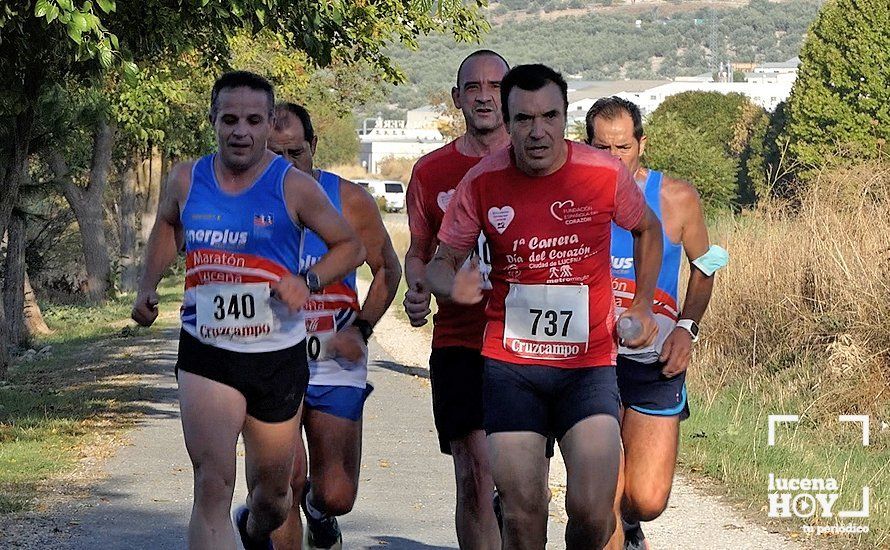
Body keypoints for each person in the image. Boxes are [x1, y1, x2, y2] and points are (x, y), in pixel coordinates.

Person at [426, 64, 664, 550]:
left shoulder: (602, 174)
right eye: (524, 120)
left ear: (565, 116)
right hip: (511, 368)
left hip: (588, 365)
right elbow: (438, 263)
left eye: (549, 117)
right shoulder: (482, 181)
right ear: (508, 123)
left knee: (594, 511)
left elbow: (648, 230)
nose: (537, 132)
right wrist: (453, 286)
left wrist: (641, 304)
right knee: (523, 511)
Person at [131, 71, 365, 550]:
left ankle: (253, 527)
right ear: (213, 121)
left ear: (267, 125)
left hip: (276, 355)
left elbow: (350, 246)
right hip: (207, 349)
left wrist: (308, 280)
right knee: (211, 483)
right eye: (230, 119)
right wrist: (147, 286)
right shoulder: (186, 178)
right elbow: (167, 226)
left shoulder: (293, 186)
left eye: (253, 120)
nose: (241, 131)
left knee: (274, 497)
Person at [585, 97, 725, 550]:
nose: (612, 159)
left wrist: (688, 329)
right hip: (589, 359)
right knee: (604, 489)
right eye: (601, 148)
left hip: (653, 356)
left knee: (646, 498)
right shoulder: (570, 195)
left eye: (622, 148)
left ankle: (632, 523)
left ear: (642, 144)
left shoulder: (676, 197)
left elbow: (706, 267)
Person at [268, 102, 401, 550]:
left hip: (333, 358)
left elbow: (388, 271)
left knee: (336, 493)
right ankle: (264, 514)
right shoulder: (247, 202)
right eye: (273, 154)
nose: (286, 166)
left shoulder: (349, 201)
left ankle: (322, 515)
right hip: (270, 358)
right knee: (286, 481)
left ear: (314, 148)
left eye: (295, 153)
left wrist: (360, 329)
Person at [403, 49, 511, 549]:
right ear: (457, 98)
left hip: (530, 345)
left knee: (519, 488)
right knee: (474, 475)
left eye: (495, 86)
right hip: (460, 343)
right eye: (473, 87)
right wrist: (418, 289)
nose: (485, 96)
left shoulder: (539, 160)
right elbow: (418, 253)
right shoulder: (431, 172)